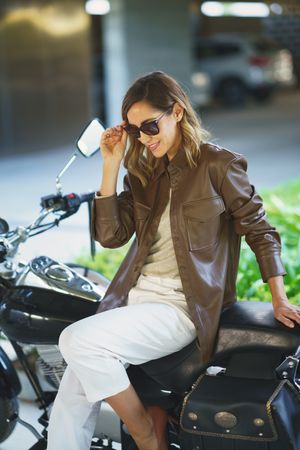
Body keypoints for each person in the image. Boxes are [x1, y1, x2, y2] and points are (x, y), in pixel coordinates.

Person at [46, 71, 300, 450]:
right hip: (134, 301)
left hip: (182, 306)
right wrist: (111, 166)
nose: (145, 138)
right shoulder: (143, 172)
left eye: (150, 126)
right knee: (71, 399)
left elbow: (260, 230)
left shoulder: (219, 165)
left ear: (177, 112)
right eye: (136, 132)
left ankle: (146, 432)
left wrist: (278, 297)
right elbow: (111, 237)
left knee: (76, 341)